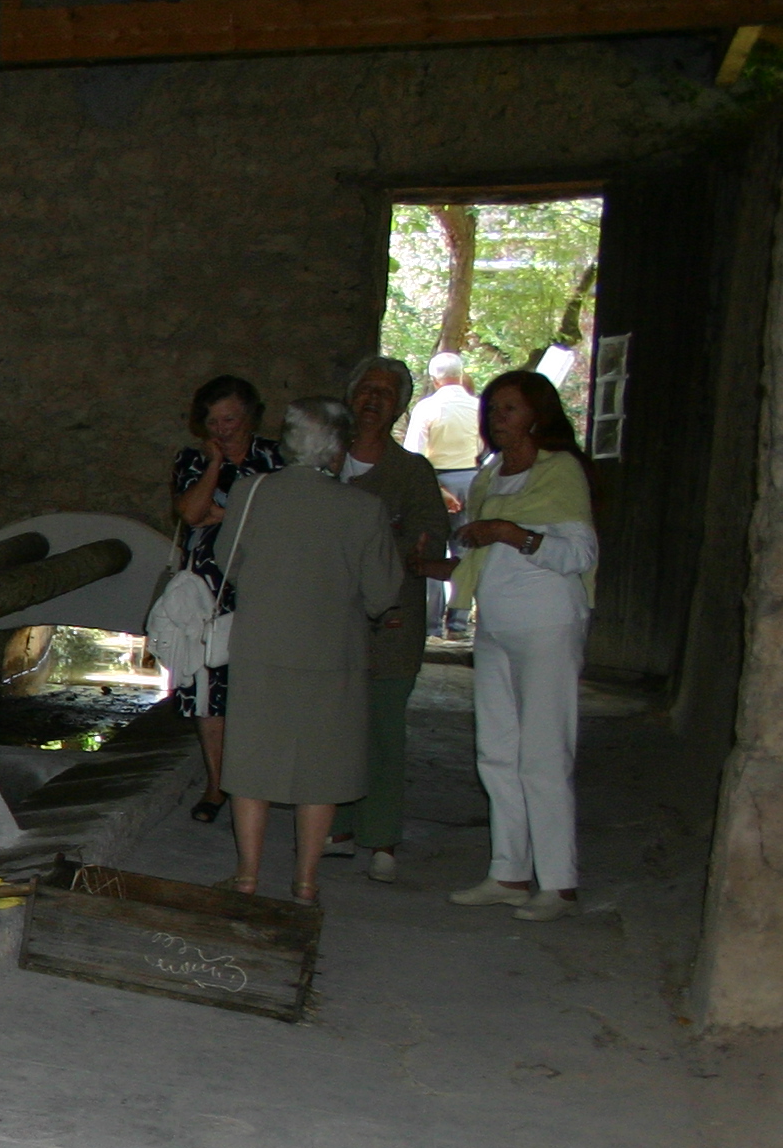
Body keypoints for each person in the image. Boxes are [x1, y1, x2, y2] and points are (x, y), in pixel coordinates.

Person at [217, 399, 408, 903]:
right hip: (333, 653)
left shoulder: (250, 492)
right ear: (339, 448)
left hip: (261, 645)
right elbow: (382, 593)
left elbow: (228, 563)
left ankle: (247, 877)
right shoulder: (365, 509)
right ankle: (304, 882)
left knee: (252, 766)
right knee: (321, 771)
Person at [448, 369, 599, 921]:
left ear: (537, 414)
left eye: (509, 409)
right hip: (497, 627)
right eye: (493, 410)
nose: (497, 419)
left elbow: (579, 554)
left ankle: (558, 882)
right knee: (496, 752)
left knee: (542, 753)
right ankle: (509, 872)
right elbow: (473, 553)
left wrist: (515, 534)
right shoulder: (488, 475)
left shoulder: (560, 472)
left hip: (548, 624)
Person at [331, 356, 456, 882]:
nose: (374, 399)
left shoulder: (412, 472)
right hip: (329, 621)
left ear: (401, 406)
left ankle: (380, 836)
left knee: (383, 727)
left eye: (386, 392)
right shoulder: (324, 465)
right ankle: (334, 825)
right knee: (332, 725)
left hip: (390, 623)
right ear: (350, 396)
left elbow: (428, 537)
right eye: (366, 389)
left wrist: (378, 547)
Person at [169, 374, 283, 824]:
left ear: (250, 416)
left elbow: (283, 519)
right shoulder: (193, 460)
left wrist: (228, 514)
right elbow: (192, 513)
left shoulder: (277, 459)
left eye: (230, 419)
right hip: (208, 593)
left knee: (257, 687)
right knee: (209, 689)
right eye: (213, 421)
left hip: (261, 586)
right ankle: (218, 785)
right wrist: (216, 465)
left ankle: (257, 781)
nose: (222, 429)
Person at [406, 351, 484, 639]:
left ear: (435, 379)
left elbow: (415, 455)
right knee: (465, 550)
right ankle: (459, 623)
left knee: (430, 549)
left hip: (436, 481)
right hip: (473, 480)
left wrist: (436, 490)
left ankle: (430, 624)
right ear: (461, 375)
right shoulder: (479, 407)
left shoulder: (427, 409)